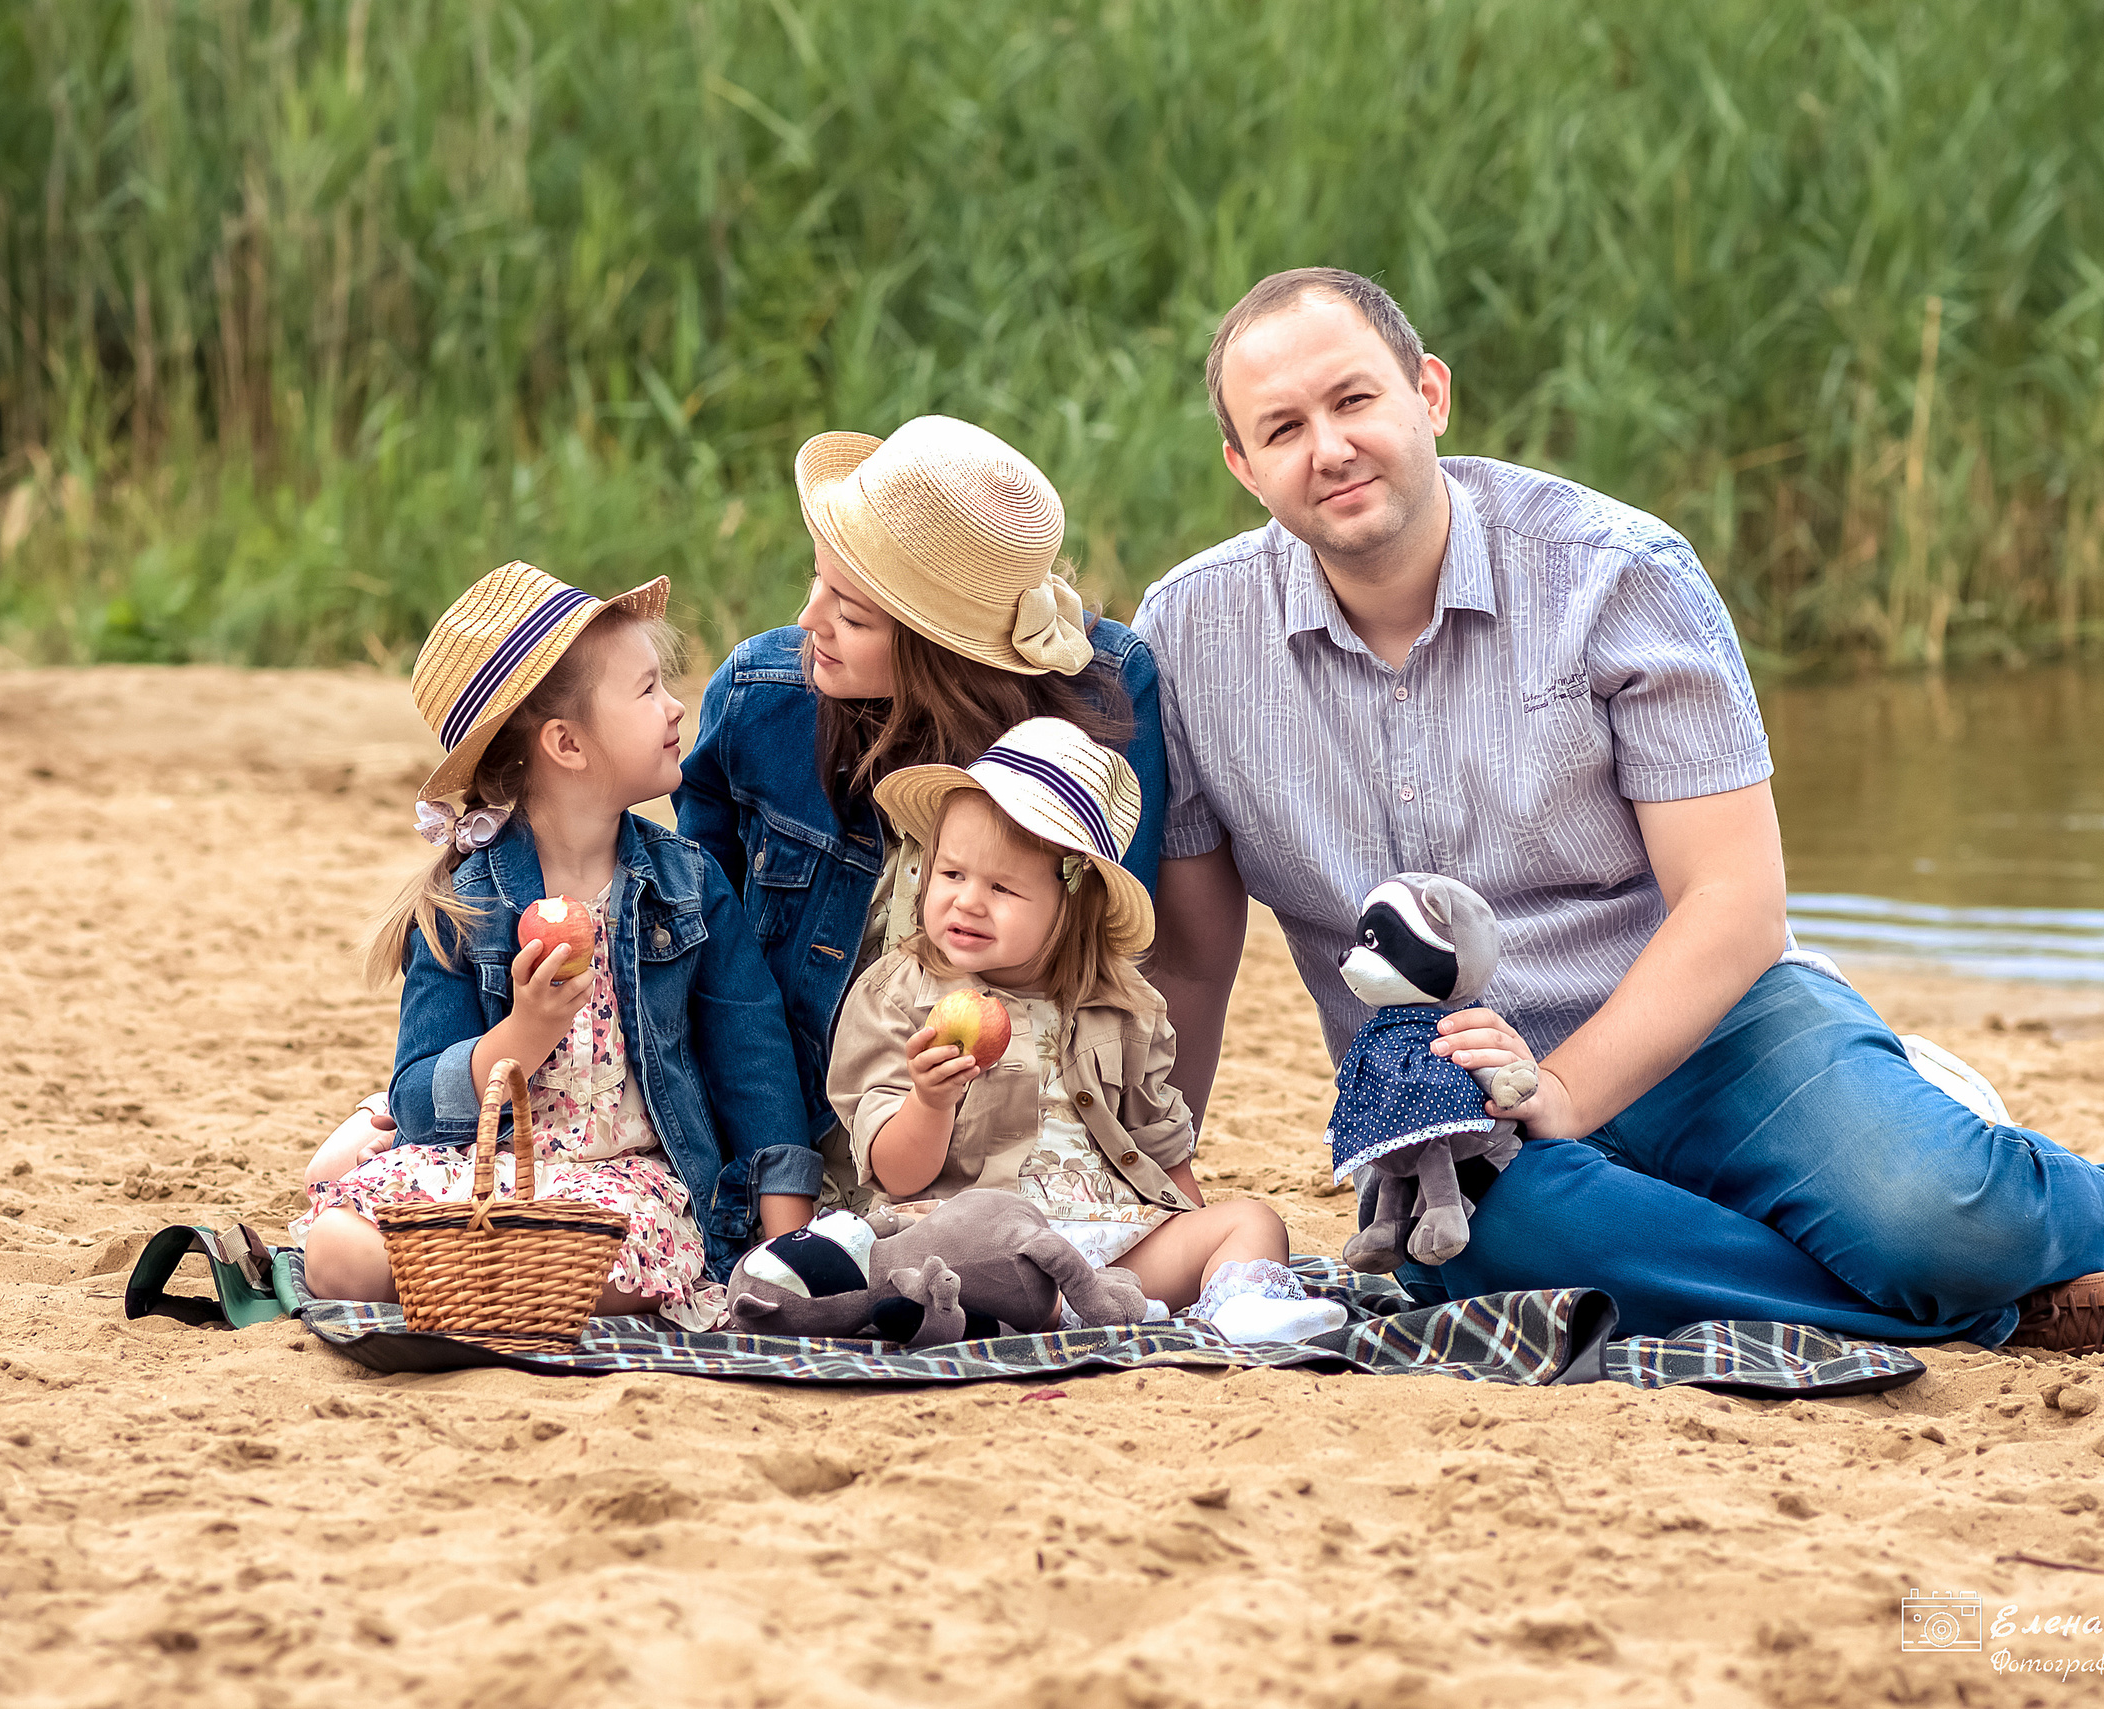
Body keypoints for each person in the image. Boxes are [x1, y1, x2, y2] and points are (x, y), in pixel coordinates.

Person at [1132, 266, 2104, 1352]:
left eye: (1352, 401)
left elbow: (1735, 904)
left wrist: (1566, 1089)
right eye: (1281, 428)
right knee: (1511, 1265)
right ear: (1243, 467)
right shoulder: (1190, 634)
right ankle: (2014, 1312)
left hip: (1715, 1025)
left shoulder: (1615, 571)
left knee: (1933, 1214)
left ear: (1428, 395)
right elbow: (1191, 956)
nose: (1328, 447)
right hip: (1464, 1109)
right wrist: (1162, 1162)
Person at [299, 563, 820, 1319]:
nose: (677, 706)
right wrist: (526, 1030)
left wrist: (784, 1253)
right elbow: (417, 1098)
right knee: (336, 1251)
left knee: (602, 1260)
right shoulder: (464, 902)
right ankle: (505, 1282)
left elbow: (755, 1061)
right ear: (566, 744)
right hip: (481, 1172)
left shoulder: (690, 886)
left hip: (620, 1183)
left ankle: (473, 1283)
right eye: (647, 689)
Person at [674, 415, 1169, 1206]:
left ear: (945, 652)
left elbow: (1108, 967)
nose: (808, 621)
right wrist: (778, 1194)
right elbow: (712, 983)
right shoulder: (760, 698)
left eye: (854, 614)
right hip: (803, 1150)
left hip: (1025, 1160)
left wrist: (1145, 1182)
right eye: (817, 581)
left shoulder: (1104, 700)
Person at [823, 717, 1346, 1344]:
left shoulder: (1120, 1007)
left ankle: (1241, 1310)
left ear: (1072, 905)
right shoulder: (899, 994)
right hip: (981, 1244)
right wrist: (929, 1102)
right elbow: (895, 1174)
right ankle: (1058, 1313)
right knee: (923, 1269)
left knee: (1253, 1222)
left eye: (1002, 887)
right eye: (952, 874)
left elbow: (1160, 1142)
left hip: (1109, 1242)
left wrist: (1195, 1237)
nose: (966, 901)